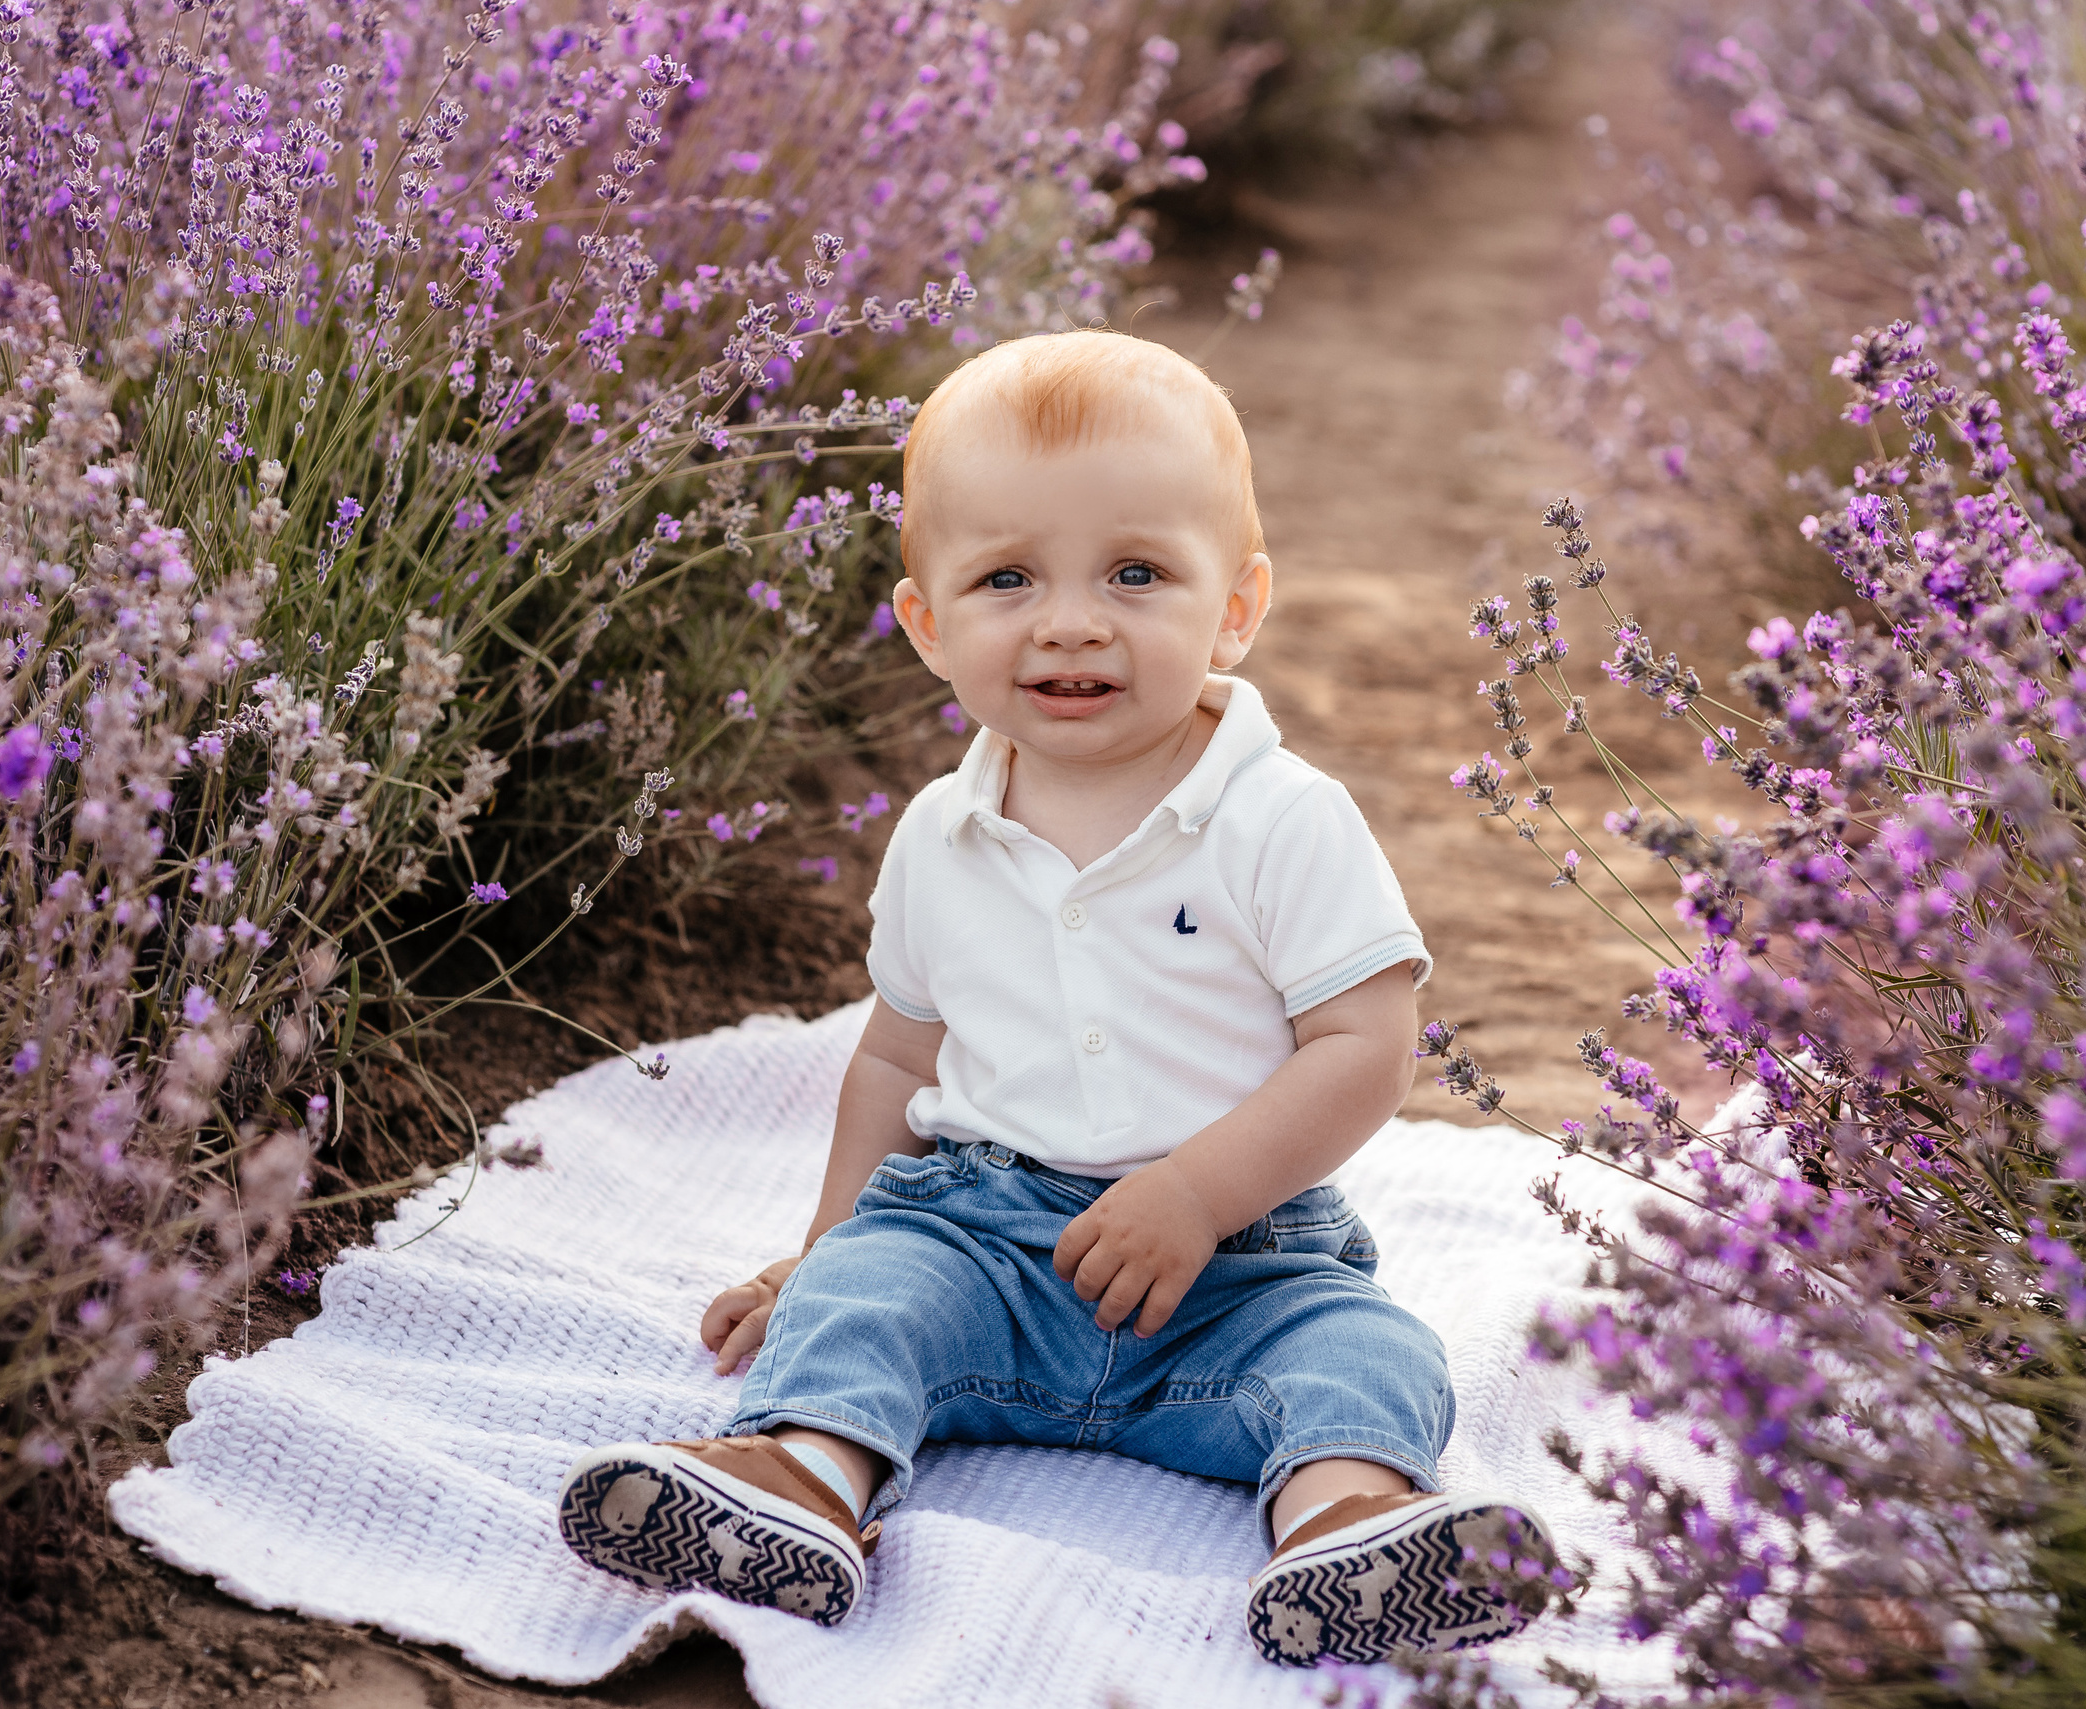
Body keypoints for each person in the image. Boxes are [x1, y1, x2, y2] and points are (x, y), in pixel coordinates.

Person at [554, 328, 1556, 1666]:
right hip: (986, 1237)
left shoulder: (1278, 817)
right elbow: (897, 1065)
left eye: (1137, 572)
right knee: (867, 1298)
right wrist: (821, 1248)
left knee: (1367, 1358)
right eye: (1007, 576)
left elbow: (1367, 1044)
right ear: (926, 623)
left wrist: (1197, 1192)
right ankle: (803, 1480)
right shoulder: (937, 833)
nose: (1071, 619)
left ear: (1238, 605)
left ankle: (1345, 1526)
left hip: (1237, 1267)